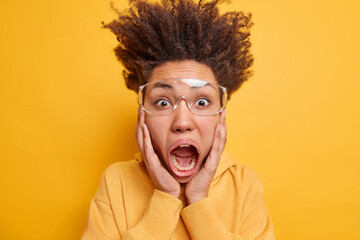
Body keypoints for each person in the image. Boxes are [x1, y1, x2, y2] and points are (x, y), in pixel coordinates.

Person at [82, 0, 275, 239]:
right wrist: (166, 197)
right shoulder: (117, 181)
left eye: (202, 102)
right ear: (142, 115)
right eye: (163, 102)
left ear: (221, 117)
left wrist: (199, 200)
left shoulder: (244, 185)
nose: (182, 122)